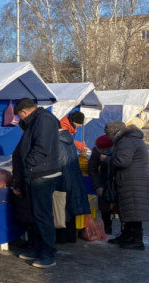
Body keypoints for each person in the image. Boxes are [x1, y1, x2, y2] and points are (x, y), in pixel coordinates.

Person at [12, 98, 61, 269]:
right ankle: (38, 247)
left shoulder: (44, 119)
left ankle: (48, 253)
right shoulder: (36, 120)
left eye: (19, 116)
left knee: (43, 215)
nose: (20, 120)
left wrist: (28, 165)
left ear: (24, 113)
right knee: (35, 214)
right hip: (35, 174)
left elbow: (41, 147)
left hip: (42, 174)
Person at [101, 120, 149, 250]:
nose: (110, 139)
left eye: (110, 136)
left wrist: (106, 159)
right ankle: (126, 235)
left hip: (134, 181)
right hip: (133, 180)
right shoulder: (130, 139)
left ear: (115, 133)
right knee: (129, 210)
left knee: (134, 211)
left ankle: (137, 240)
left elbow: (122, 161)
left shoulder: (127, 141)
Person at [55, 114, 91, 243]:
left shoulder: (59, 138)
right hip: (71, 176)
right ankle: (69, 237)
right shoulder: (66, 136)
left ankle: (63, 237)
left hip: (62, 178)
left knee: (62, 208)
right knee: (68, 207)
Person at [88, 135, 119, 235]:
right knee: (104, 206)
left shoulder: (118, 149)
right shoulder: (96, 152)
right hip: (103, 181)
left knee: (120, 206)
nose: (104, 150)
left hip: (118, 181)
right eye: (102, 149)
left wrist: (106, 160)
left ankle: (124, 230)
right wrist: (98, 186)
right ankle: (107, 227)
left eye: (107, 149)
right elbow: (92, 170)